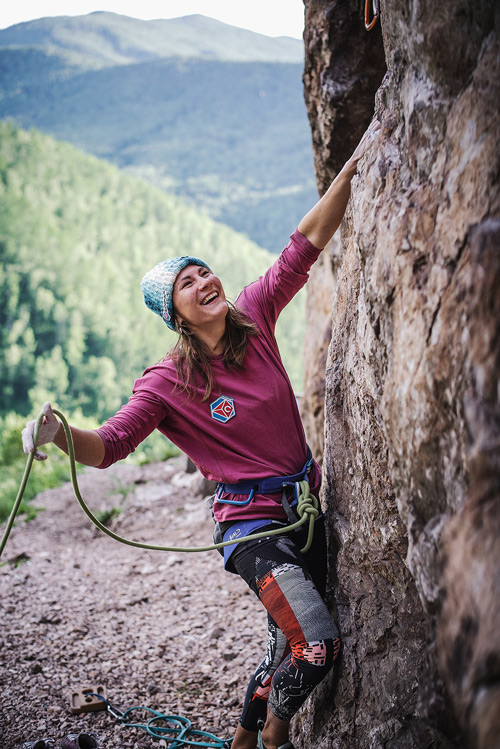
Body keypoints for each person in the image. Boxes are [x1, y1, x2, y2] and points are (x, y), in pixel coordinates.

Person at [23, 120, 381, 749]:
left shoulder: (256, 317)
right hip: (252, 530)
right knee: (317, 646)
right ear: (175, 314)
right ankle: (273, 739)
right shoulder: (167, 381)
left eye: (203, 271)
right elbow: (108, 447)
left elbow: (306, 242)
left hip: (304, 511)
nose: (204, 282)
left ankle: (243, 743)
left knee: (288, 650)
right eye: (186, 284)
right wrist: (58, 434)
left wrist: (358, 161)